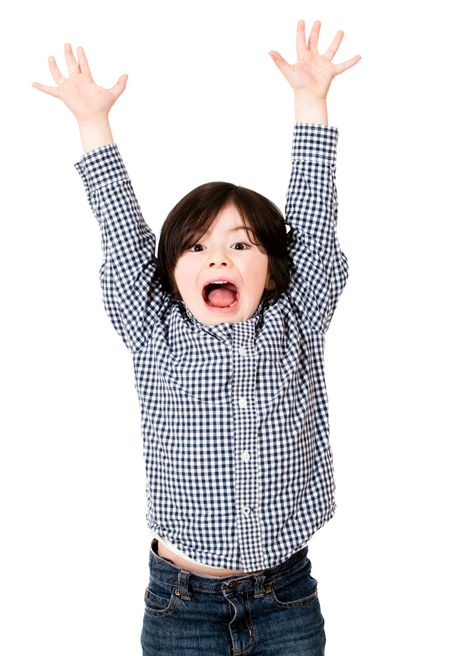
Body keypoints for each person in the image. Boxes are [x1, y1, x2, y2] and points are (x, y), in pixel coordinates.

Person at [32, 18, 361, 656]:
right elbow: (122, 230)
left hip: (286, 596)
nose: (220, 259)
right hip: (182, 603)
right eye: (197, 246)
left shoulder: (298, 317)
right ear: (169, 273)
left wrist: (311, 103)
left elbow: (315, 226)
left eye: (242, 245)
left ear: (271, 273)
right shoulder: (151, 327)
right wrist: (92, 123)